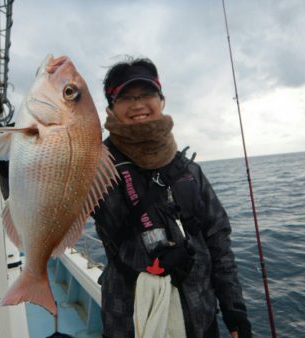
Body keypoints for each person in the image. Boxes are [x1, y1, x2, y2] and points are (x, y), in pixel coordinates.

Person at [92, 57, 252, 338]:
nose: (138, 104)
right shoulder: (92, 166)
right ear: (110, 109)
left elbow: (219, 243)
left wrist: (234, 311)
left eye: (146, 94)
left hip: (201, 319)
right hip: (129, 321)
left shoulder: (189, 170)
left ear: (161, 100)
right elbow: (51, 199)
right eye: (126, 97)